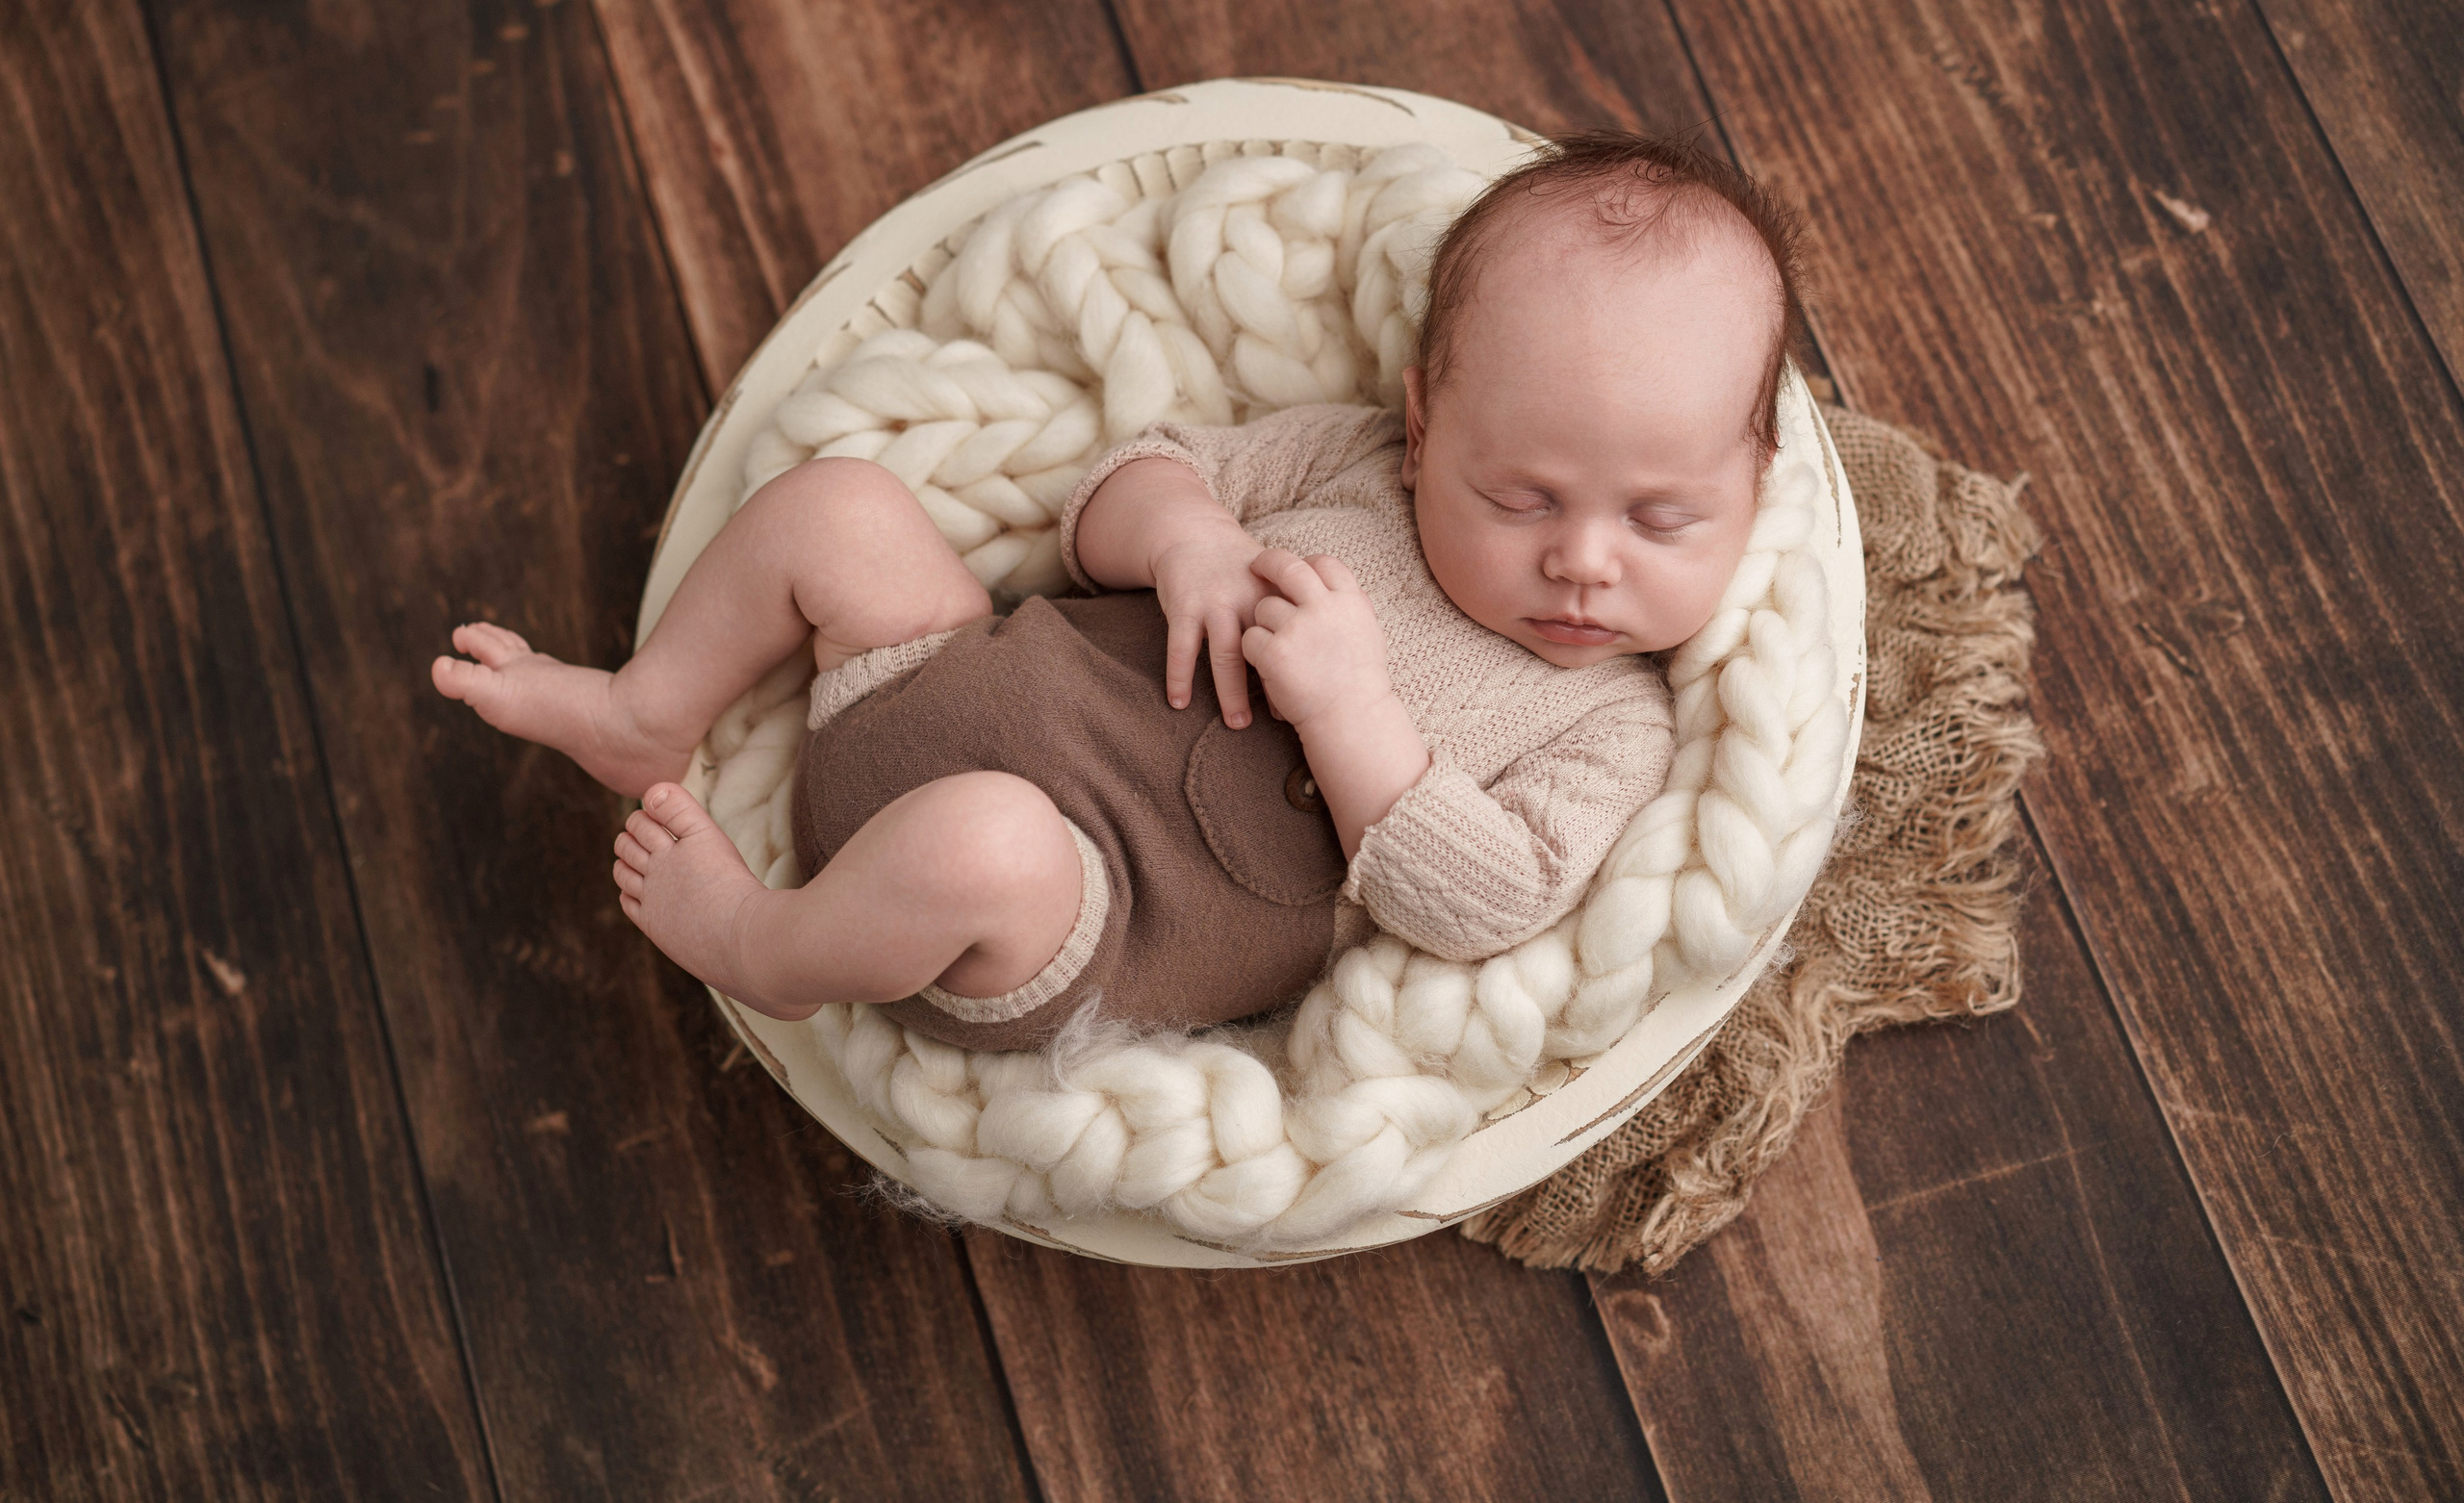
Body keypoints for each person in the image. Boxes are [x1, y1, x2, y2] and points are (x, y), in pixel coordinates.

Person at [429, 131, 1806, 1050]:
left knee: (987, 842)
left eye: (1666, 518)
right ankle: (646, 711)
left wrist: (1356, 714)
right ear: (1427, 421)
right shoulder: (1356, 461)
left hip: (1069, 915)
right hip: (947, 684)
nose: (1583, 559)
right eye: (1522, 498)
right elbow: (1125, 478)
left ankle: (765, 944)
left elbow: (1489, 899)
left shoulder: (1611, 721)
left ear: (1754, 488)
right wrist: (1188, 538)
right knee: (839, 507)